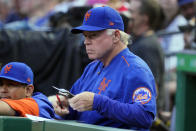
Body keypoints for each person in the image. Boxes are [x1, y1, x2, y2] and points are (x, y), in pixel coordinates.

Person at [51, 6, 156, 130]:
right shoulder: (92, 67)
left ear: (116, 36)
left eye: (93, 35)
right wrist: (64, 106)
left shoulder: (135, 69)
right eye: (85, 36)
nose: (86, 42)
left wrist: (98, 103)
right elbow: (75, 107)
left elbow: (145, 117)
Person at [128, 0, 165, 120]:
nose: (129, 16)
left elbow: (152, 86)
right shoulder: (137, 40)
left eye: (132, 12)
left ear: (145, 18)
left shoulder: (148, 46)